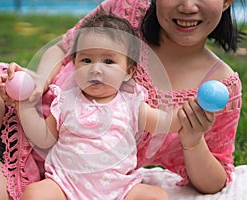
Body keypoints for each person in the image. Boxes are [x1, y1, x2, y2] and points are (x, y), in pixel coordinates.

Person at [0, 0, 244, 199]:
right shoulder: (128, 9)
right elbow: (61, 48)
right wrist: (37, 83)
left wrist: (192, 140)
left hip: (35, 173)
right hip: (2, 102)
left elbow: (216, 180)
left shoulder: (221, 86)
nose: (187, 5)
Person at [11, 12, 181, 200]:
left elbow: (166, 122)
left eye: (108, 61)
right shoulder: (66, 101)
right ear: (74, 64)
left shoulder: (132, 104)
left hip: (119, 189)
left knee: (156, 196)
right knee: (35, 193)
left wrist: (190, 112)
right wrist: (24, 104)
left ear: (128, 71)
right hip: (65, 185)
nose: (95, 69)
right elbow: (43, 138)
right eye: (86, 60)